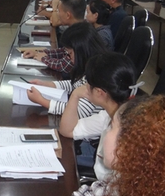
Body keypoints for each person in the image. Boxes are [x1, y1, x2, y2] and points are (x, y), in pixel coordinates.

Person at [59, 52, 138, 181]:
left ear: (98, 92)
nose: (85, 86)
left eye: (87, 82)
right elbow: (67, 130)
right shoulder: (108, 115)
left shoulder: (125, 130)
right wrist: (75, 96)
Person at [26, 22, 107, 117]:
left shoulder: (98, 76)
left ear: (82, 51)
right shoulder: (91, 66)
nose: (68, 58)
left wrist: (41, 100)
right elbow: (75, 84)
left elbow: (77, 112)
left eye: (70, 54)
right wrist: (46, 84)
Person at [24, 0, 86, 75]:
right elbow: (64, 51)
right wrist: (39, 53)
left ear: (68, 15)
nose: (57, 14)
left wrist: (44, 58)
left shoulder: (81, 35)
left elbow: (66, 65)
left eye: (58, 11)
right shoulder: (77, 28)